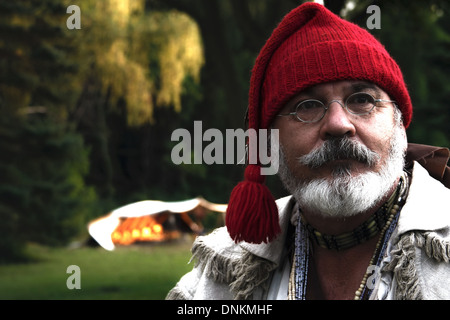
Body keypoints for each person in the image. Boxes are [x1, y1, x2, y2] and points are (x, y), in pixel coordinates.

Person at [166, 2, 450, 300]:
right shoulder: (220, 272)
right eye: (307, 106)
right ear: (271, 141)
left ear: (399, 123)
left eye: (362, 99)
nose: (339, 124)